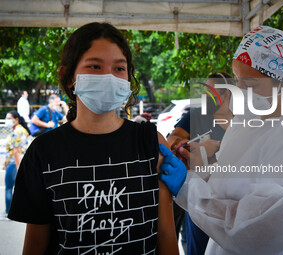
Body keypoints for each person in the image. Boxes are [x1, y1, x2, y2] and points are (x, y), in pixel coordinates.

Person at [161, 26, 283, 255]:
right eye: (237, 81)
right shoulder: (248, 123)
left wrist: (189, 189)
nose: (240, 91)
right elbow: (233, 180)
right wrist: (200, 169)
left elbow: (259, 228)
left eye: (250, 84)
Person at [8, 22, 178, 255]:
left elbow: (167, 235)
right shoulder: (44, 151)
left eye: (119, 68)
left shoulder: (151, 142)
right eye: (95, 66)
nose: (109, 77)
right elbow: (36, 245)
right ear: (68, 77)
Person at [167, 72, 233, 255]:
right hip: (199, 197)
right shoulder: (196, 116)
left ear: (227, 94)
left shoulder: (242, 122)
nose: (205, 96)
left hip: (230, 201)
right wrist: (198, 147)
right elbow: (172, 140)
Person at [2, 111, 30, 218]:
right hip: (15, 162)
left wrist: (19, 167)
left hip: (14, 163)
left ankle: (8, 212)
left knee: (9, 188)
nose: (7, 120)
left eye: (9, 118)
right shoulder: (21, 130)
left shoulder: (17, 132)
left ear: (16, 119)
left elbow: (16, 151)